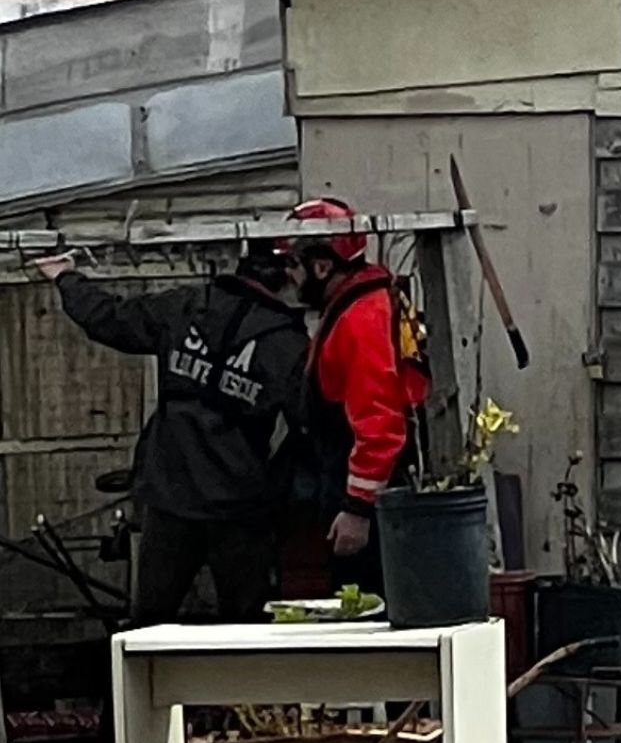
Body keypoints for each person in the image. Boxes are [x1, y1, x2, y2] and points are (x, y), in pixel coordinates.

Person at [35, 243, 308, 624]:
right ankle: (247, 683)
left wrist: (65, 277)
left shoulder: (184, 306)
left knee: (150, 622)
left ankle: (141, 683)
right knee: (249, 627)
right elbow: (310, 426)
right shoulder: (287, 343)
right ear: (288, 278)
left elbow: (109, 317)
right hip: (239, 501)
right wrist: (281, 488)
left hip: (170, 492)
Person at [285, 197, 425, 583]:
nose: (289, 275)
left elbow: (380, 424)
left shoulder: (361, 318)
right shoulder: (362, 306)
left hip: (376, 510)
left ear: (322, 265)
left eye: (293, 264)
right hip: (370, 495)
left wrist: (358, 509)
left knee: (366, 608)